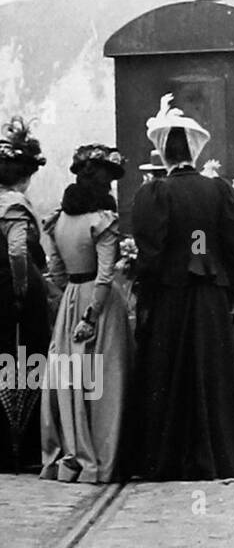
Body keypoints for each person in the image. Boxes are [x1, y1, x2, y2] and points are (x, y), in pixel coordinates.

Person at [129, 96, 234, 481]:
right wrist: (230, 288)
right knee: (214, 372)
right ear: (196, 154)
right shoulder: (220, 191)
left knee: (168, 373)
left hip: (171, 295)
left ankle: (169, 456)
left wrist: (143, 286)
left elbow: (151, 249)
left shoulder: (154, 194)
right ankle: (219, 453)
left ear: (164, 154)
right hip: (211, 296)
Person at [40, 144, 134, 483]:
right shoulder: (102, 221)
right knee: (105, 380)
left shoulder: (57, 220)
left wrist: (71, 304)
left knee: (72, 380)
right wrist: (90, 315)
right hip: (101, 305)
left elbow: (56, 271)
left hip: (70, 300)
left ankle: (69, 458)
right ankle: (103, 455)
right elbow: (106, 274)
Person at [0, 118, 51, 470]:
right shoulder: (16, 204)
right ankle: (23, 446)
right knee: (26, 362)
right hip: (13, 293)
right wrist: (21, 289)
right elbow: (18, 250)